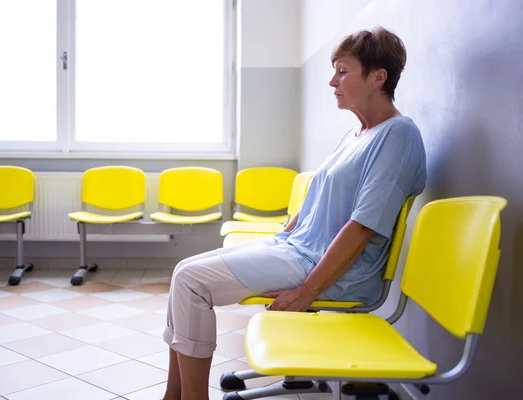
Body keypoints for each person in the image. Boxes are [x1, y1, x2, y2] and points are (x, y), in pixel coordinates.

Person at [161, 27, 427, 400]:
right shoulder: (356, 135)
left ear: (378, 77)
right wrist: (277, 237)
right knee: (182, 273)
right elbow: (319, 200)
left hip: (329, 268)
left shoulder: (398, 135)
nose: (332, 81)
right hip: (297, 249)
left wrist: (307, 292)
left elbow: (363, 226)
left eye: (343, 71)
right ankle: (173, 396)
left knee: (192, 281)